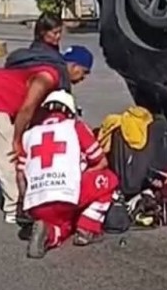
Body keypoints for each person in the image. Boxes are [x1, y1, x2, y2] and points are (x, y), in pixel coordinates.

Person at [0, 45, 94, 224]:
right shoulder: (50, 77)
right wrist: (17, 140)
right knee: (10, 155)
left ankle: (29, 195)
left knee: (24, 148)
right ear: (74, 67)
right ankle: (14, 208)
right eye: (84, 72)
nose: (83, 78)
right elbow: (27, 109)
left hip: (2, 93)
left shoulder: (56, 76)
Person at [20, 90, 119, 258]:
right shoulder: (75, 127)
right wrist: (83, 175)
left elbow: (21, 176)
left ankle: (49, 233)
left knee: (64, 227)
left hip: (36, 203)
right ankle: (87, 228)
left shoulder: (29, 135)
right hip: (67, 196)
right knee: (109, 179)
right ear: (71, 111)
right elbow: (101, 162)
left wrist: (25, 204)